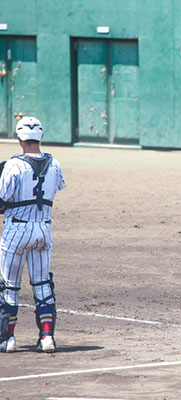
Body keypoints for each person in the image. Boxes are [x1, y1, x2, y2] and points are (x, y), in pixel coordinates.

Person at [0, 117, 66, 353]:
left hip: (16, 230)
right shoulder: (55, 164)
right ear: (41, 136)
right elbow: (54, 191)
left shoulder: (13, 165)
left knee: (9, 286)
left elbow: (1, 201)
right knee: (42, 284)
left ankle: (8, 339)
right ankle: (47, 337)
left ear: (19, 139)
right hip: (43, 230)